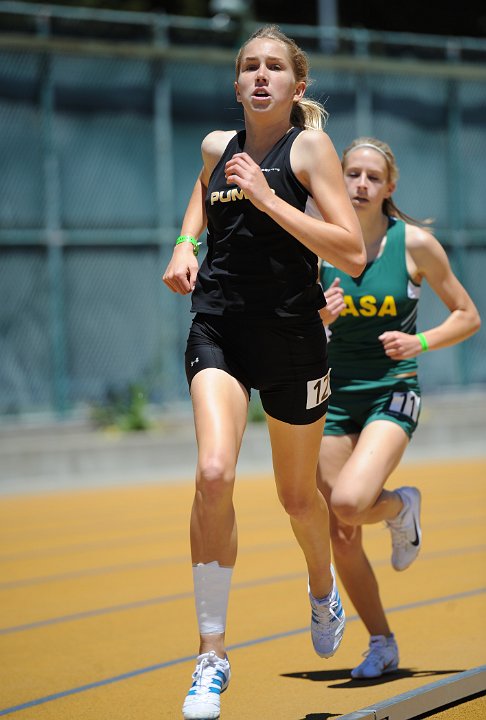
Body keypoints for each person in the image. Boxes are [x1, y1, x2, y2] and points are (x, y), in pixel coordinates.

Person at [162, 25, 366, 720]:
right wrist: (186, 245)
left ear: (296, 86)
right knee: (214, 473)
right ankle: (211, 656)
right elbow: (201, 193)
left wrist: (270, 199)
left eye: (274, 67)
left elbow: (352, 249)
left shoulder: (308, 148)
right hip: (219, 325)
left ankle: (320, 585)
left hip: (292, 337)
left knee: (298, 500)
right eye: (249, 65)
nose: (259, 76)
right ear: (236, 81)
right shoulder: (216, 149)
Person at [317, 136, 481, 680]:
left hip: (393, 388)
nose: (359, 184)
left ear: (390, 187)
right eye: (351, 174)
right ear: (337, 179)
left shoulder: (414, 244)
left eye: (371, 176)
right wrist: (317, 321)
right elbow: (282, 329)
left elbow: (467, 315)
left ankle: (398, 507)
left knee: (348, 501)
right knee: (341, 528)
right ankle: (382, 642)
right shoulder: (314, 246)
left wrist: (422, 342)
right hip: (333, 395)